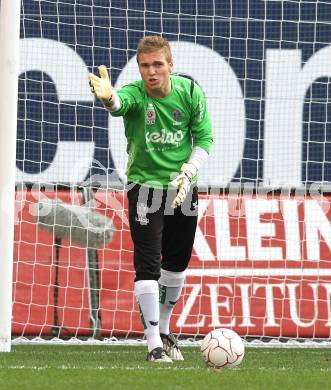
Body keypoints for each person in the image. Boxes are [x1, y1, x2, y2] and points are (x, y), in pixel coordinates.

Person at [88, 36, 213, 362]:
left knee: (176, 266)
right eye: (145, 65)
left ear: (170, 66)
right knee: (148, 264)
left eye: (158, 64)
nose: (151, 71)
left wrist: (190, 170)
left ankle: (165, 330)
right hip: (144, 188)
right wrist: (108, 98)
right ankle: (153, 343)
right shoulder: (135, 93)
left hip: (183, 188)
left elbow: (204, 137)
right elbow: (118, 104)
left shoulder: (189, 92)